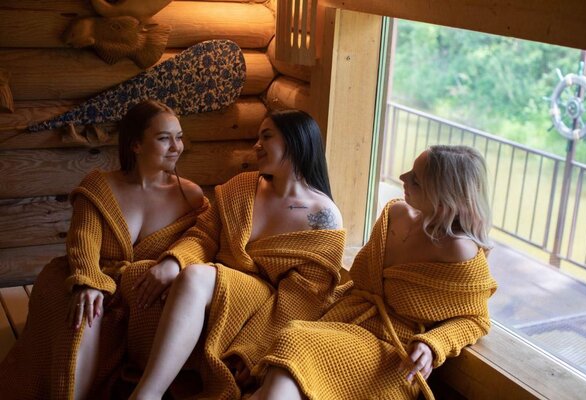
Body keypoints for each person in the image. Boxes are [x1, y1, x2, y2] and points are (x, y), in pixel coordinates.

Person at [126, 109, 347, 400]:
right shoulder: (242, 186)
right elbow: (204, 236)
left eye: (266, 137)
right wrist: (173, 260)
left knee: (194, 276)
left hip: (265, 304)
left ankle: (147, 395)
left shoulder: (323, 216)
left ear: (294, 142)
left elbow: (305, 298)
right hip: (220, 288)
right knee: (158, 275)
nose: (257, 145)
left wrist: (255, 347)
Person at [250, 145, 498, 400]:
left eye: (415, 179)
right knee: (287, 349)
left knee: (294, 342)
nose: (402, 178)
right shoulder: (395, 214)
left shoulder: (458, 250)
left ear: (443, 196)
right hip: (343, 321)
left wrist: (434, 344)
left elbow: (476, 319)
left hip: (387, 353)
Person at [0, 99, 206, 400]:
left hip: (140, 290)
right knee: (84, 314)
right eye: (164, 138)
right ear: (135, 145)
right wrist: (88, 281)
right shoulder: (101, 185)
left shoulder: (190, 195)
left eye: (179, 137)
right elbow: (83, 237)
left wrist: (175, 261)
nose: (176, 147)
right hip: (90, 274)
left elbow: (202, 238)